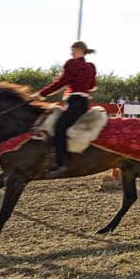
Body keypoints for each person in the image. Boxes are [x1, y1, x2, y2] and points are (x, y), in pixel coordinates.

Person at [33, 41, 97, 178]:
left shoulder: (71, 63)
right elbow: (92, 85)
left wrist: (41, 94)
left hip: (74, 102)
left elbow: (61, 82)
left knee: (59, 127)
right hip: (83, 102)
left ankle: (61, 163)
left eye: (73, 50)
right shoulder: (91, 66)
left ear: (80, 50)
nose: (71, 53)